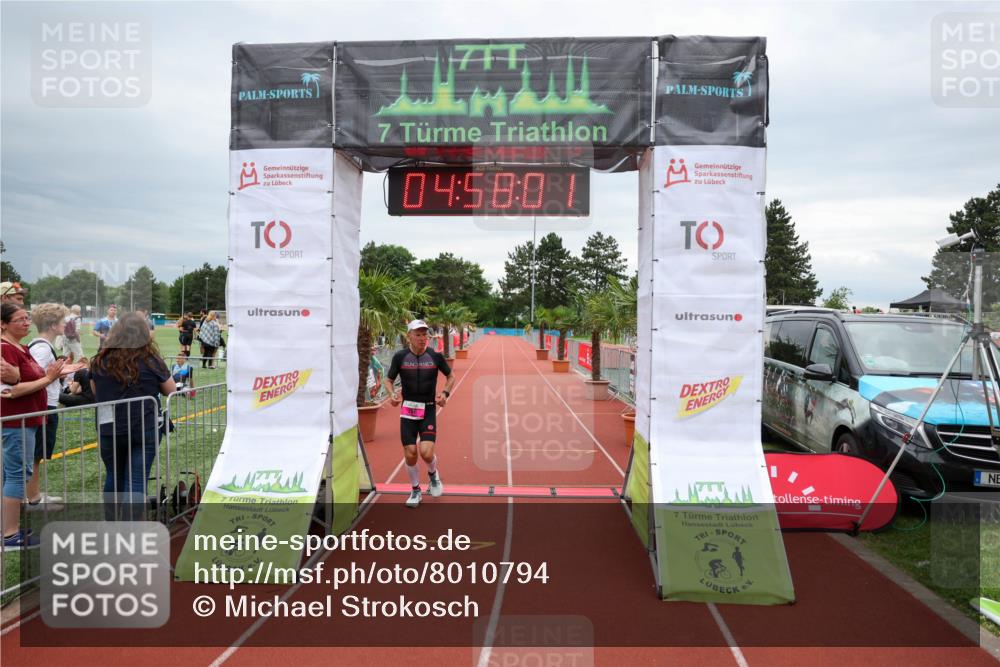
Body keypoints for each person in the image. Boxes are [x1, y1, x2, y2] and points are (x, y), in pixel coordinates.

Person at [90, 314, 176, 518]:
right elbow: (170, 389)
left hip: (109, 426)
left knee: (114, 475)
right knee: (136, 480)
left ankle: (112, 525)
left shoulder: (100, 360)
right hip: (144, 425)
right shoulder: (151, 360)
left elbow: (95, 391)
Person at [1, 303, 65, 549]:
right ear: (3, 324)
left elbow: (26, 379)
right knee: (17, 474)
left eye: (27, 318)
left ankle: (10, 529)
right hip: (17, 421)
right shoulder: (6, 349)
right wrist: (47, 378)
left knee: (16, 473)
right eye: (20, 319)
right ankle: (10, 534)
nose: (27, 322)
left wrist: (51, 374)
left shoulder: (20, 347)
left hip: (25, 420)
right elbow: (8, 392)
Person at [382, 319, 455, 508]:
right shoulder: (400, 357)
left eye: (425, 334)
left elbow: (451, 376)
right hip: (408, 410)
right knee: (411, 453)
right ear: (409, 337)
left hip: (429, 408)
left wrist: (445, 393)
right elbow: (388, 380)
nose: (423, 338)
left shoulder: (435, 356)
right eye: (419, 335)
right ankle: (415, 490)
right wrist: (391, 394)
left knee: (426, 452)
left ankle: (433, 475)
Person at [27, 303, 77, 509]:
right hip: (43, 405)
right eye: (62, 321)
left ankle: (34, 494)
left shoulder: (41, 345)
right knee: (35, 455)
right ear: (52, 325)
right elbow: (35, 374)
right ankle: (33, 498)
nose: (65, 324)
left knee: (36, 455)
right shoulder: (41, 347)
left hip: (45, 404)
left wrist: (65, 369)